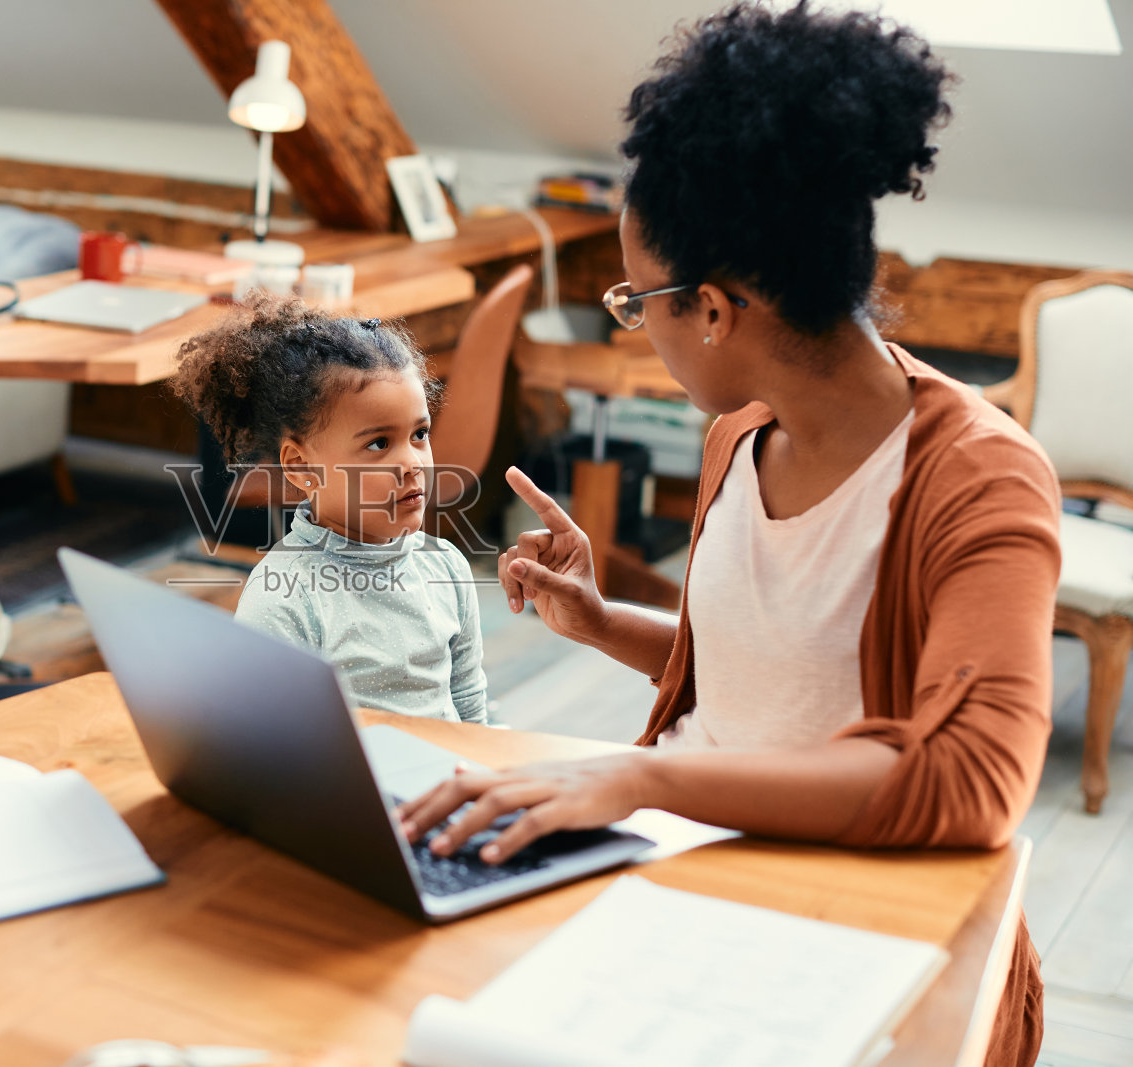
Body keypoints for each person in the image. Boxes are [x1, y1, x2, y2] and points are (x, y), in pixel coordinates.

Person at [397, 4, 1058, 1062]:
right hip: (679, 860)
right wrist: (606, 621)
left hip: (832, 910)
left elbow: (969, 781)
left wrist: (640, 776)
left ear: (710, 309)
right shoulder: (740, 435)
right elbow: (776, 679)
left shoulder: (978, 479)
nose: (637, 324)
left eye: (633, 301)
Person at [170, 293, 488, 723]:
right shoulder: (285, 597)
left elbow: (468, 701)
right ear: (301, 467)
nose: (413, 463)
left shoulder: (447, 567)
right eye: (379, 443)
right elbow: (268, 736)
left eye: (420, 434)